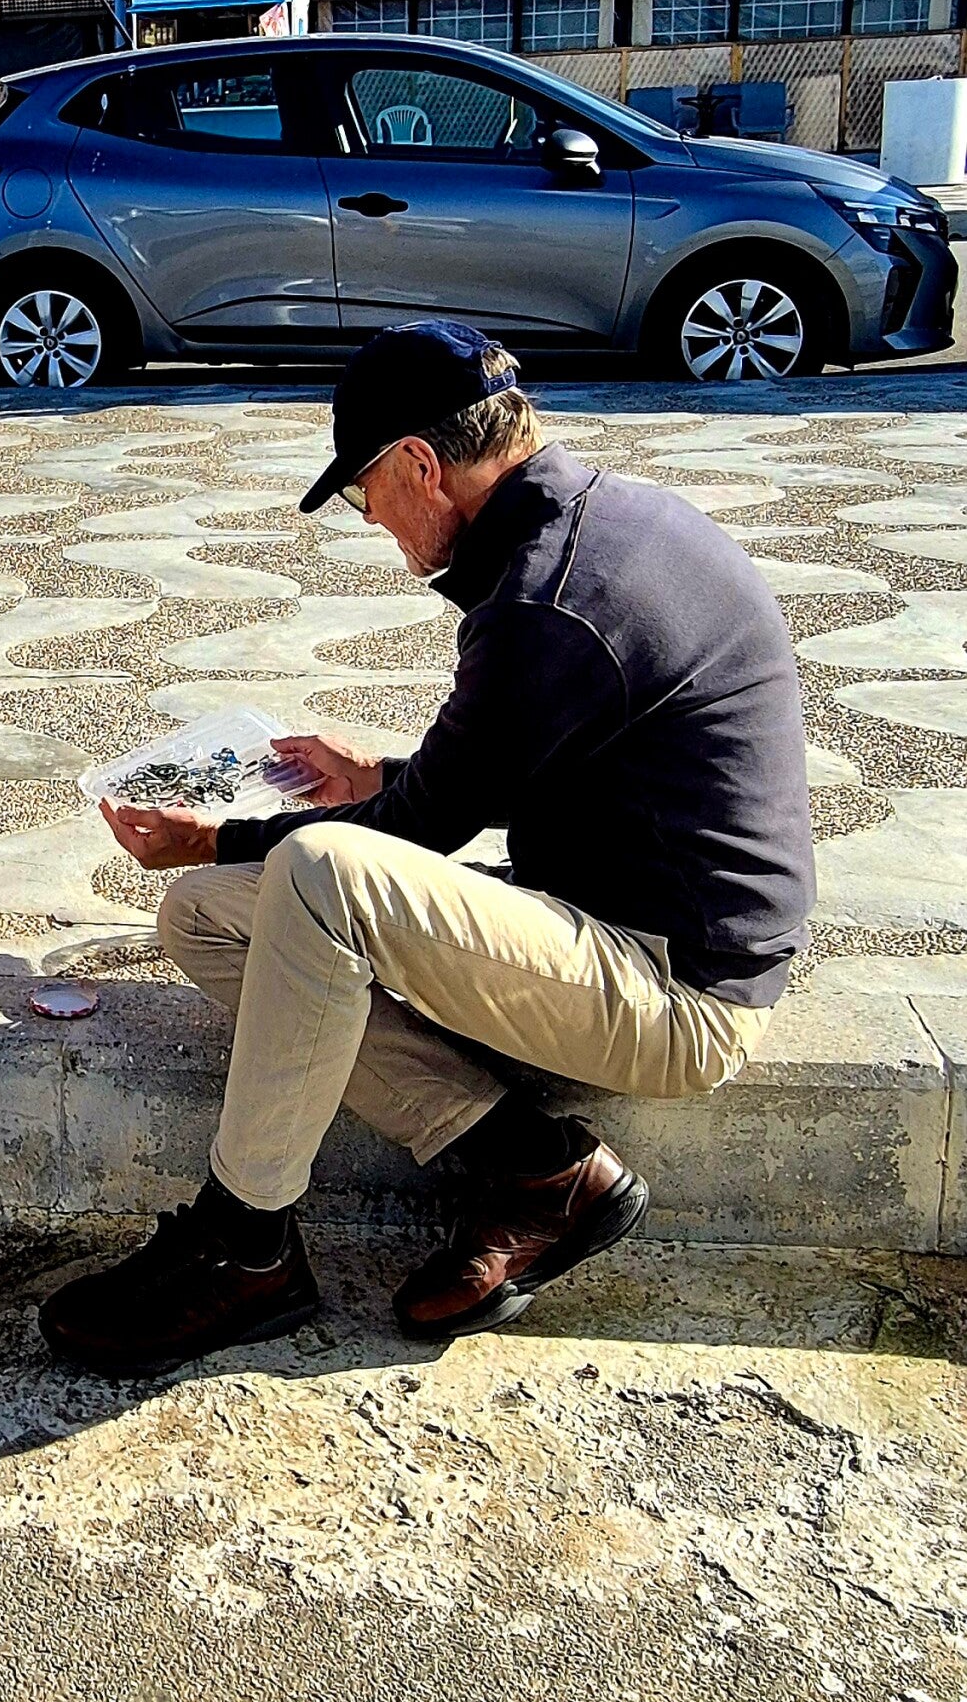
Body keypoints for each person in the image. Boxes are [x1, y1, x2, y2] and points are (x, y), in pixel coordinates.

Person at [40, 319, 814, 1377]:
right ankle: (534, 1168)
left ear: (417, 463)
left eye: (363, 495)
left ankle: (244, 1245)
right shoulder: (606, 526)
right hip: (606, 918)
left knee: (313, 874)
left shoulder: (547, 598)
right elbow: (494, 769)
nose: (371, 521)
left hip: (678, 994)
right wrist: (375, 780)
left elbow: (412, 833)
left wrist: (214, 832)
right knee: (207, 913)